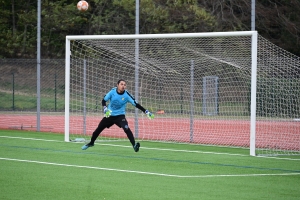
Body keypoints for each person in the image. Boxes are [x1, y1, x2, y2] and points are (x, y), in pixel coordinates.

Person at [81, 79, 154, 152]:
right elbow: (104, 100)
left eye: (124, 85)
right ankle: (91, 143)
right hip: (110, 115)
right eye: (121, 84)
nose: (123, 86)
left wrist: (146, 112)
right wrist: (105, 108)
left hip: (120, 116)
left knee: (126, 128)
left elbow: (136, 104)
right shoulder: (112, 91)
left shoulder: (127, 95)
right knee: (98, 130)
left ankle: (134, 145)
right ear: (117, 85)